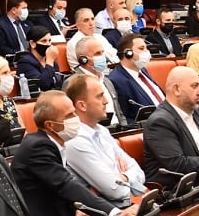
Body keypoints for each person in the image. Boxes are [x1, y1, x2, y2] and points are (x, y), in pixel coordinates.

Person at [11, 90, 135, 216]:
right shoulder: (37, 147)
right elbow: (65, 185)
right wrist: (114, 214)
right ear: (50, 125)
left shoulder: (52, 144)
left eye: (74, 113)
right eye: (69, 115)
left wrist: (78, 208)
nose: (76, 119)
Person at [61, 74, 146, 207]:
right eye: (99, 96)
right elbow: (114, 191)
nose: (106, 101)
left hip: (131, 203)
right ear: (82, 105)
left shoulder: (102, 130)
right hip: (112, 213)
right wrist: (123, 177)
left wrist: (122, 177)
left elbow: (139, 172)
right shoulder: (74, 140)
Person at [106, 33, 166, 121]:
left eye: (146, 48)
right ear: (128, 53)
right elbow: (124, 118)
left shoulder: (143, 71)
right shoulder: (116, 80)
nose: (146, 52)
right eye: (141, 48)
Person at [71, 33, 127, 129]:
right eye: (97, 53)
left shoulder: (107, 81)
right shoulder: (74, 83)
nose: (103, 57)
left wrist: (125, 129)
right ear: (83, 59)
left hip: (118, 131)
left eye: (102, 52)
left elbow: (120, 114)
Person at [14, 24, 64, 96]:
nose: (48, 44)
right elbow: (43, 85)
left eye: (49, 41)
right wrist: (49, 62)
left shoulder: (52, 61)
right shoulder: (25, 63)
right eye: (44, 41)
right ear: (32, 43)